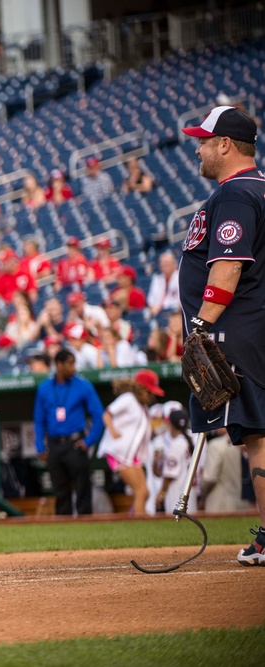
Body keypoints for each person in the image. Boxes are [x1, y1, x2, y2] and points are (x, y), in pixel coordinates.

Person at [178, 106, 265, 565]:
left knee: (257, 434)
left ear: (226, 145)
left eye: (205, 140)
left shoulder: (235, 195)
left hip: (238, 331)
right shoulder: (257, 191)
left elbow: (228, 266)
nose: (199, 148)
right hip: (254, 326)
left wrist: (201, 324)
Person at [33, 348, 105, 516]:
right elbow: (38, 420)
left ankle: (86, 525)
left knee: (82, 488)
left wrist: (88, 441)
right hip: (54, 444)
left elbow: (99, 416)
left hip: (75, 444)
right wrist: (40, 447)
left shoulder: (83, 385)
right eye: (70, 364)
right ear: (59, 364)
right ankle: (63, 529)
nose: (74, 368)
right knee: (60, 490)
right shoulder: (44, 388)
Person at [97, 370, 164, 516]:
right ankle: (139, 526)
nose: (151, 395)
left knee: (145, 492)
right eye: (148, 391)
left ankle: (133, 518)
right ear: (140, 387)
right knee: (140, 491)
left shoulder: (143, 407)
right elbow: (107, 413)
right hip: (118, 452)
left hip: (132, 455)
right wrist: (113, 431)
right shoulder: (128, 398)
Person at [157, 409, 194, 515]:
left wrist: (161, 494)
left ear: (170, 424)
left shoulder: (176, 444)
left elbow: (169, 474)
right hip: (188, 491)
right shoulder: (187, 440)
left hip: (177, 493)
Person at [200, 430, 246, 513]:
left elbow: (209, 478)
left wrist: (202, 492)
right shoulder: (248, 443)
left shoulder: (216, 445)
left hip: (218, 503)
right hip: (242, 502)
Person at [147, 250, 181, 316]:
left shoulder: (180, 277)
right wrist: (154, 308)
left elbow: (181, 301)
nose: (165, 267)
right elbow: (150, 301)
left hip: (176, 313)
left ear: (175, 264)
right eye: (163, 265)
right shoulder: (157, 279)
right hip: (158, 313)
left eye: (167, 264)